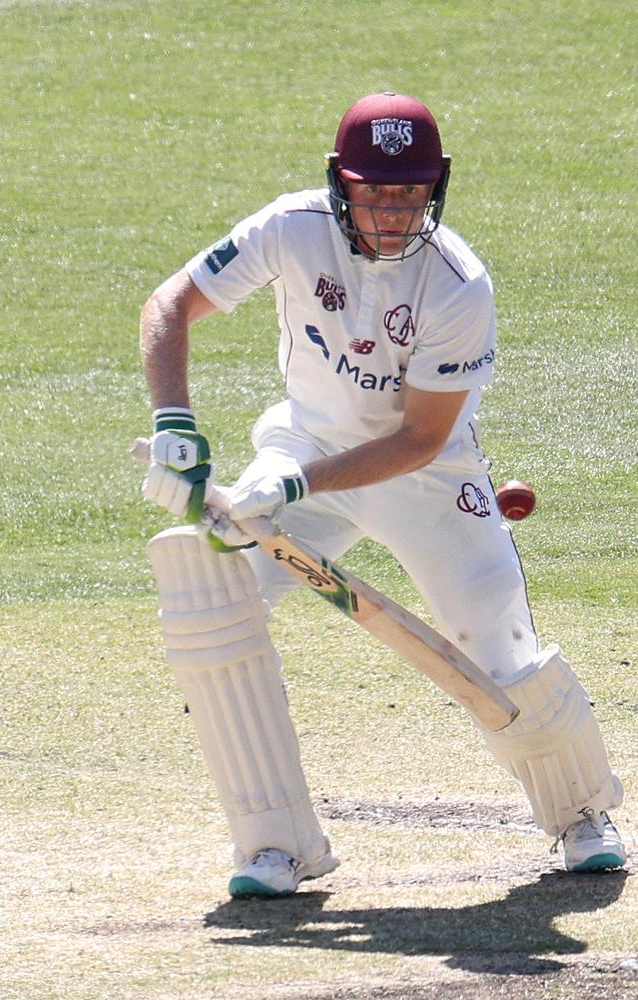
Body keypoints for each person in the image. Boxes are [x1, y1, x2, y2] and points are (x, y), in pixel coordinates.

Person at [139, 92, 627, 898]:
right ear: (340, 181)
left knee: (496, 648)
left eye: (409, 193)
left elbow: (419, 440)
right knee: (207, 592)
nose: (392, 211)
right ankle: (275, 846)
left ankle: (582, 812)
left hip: (427, 478)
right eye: (374, 190)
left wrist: (294, 483)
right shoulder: (290, 228)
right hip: (307, 445)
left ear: (435, 189)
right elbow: (170, 304)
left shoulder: (460, 284)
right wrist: (174, 422)